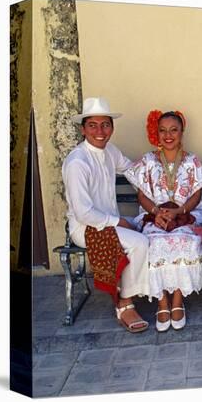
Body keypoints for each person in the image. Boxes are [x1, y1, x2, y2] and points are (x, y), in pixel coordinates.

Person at [62, 97, 150, 333]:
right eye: (93, 125)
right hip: (87, 228)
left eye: (105, 125)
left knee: (149, 226)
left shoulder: (110, 150)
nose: (100, 131)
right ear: (83, 128)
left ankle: (156, 289)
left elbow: (132, 170)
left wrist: (159, 162)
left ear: (112, 127)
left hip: (111, 222)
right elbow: (83, 212)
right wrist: (120, 222)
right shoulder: (77, 162)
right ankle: (125, 304)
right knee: (140, 243)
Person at [124, 110, 202, 332]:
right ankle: (162, 302)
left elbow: (197, 195)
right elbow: (142, 194)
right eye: (163, 130)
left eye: (174, 130)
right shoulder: (148, 161)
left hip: (186, 213)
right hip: (155, 214)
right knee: (152, 242)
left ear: (182, 132)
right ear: (157, 133)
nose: (168, 135)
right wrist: (156, 211)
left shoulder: (192, 161)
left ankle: (178, 300)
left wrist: (179, 211)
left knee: (185, 240)